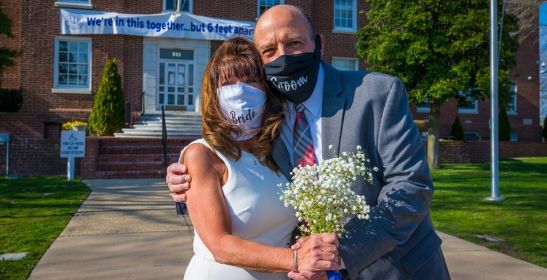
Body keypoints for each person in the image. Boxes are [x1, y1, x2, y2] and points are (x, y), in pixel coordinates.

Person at [168, 5, 451, 280]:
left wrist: (339, 255)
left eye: (294, 43)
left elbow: (411, 186)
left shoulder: (376, 94)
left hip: (394, 270)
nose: (283, 56)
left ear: (319, 44)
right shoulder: (267, 119)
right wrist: (186, 180)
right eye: (269, 51)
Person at [179, 37, 340, 280]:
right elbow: (220, 244)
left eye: (251, 80)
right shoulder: (202, 154)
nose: (240, 90)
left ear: (266, 90)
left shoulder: (279, 151)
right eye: (228, 82)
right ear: (214, 92)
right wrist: (296, 260)